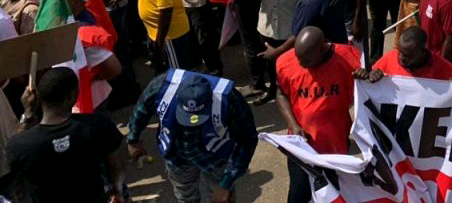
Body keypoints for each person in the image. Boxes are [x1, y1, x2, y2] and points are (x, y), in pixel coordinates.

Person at [127, 70, 258, 203]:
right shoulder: (160, 87)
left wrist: (226, 183)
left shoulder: (229, 98)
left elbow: (247, 140)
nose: (192, 125)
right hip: (176, 155)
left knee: (222, 199)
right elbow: (141, 111)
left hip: (215, 156)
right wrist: (133, 140)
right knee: (185, 197)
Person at [4, 67, 126, 203]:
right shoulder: (97, 125)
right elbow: (115, 165)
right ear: (72, 96)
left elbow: (17, 186)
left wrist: (27, 113)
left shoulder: (21, 145)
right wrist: (117, 191)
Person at [275, 26, 362, 203]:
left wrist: (368, 76)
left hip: (335, 147)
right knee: (298, 194)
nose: (300, 62)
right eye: (298, 57)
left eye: (306, 59)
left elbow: (372, 88)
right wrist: (293, 124)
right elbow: (280, 93)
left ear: (323, 48)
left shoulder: (348, 59)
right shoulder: (286, 62)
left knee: (334, 194)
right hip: (301, 147)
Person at [363, 26, 452, 86]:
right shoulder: (390, 58)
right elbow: (370, 78)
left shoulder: (442, 68)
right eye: (399, 51)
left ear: (423, 51)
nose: (400, 57)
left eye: (407, 55)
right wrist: (371, 75)